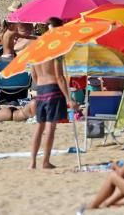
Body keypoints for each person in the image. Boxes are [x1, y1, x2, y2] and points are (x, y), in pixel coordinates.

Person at [30, 19, 78, 170]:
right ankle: (45, 161)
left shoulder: (37, 47)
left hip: (41, 90)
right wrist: (69, 99)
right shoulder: (57, 49)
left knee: (39, 127)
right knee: (50, 128)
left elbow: (34, 75)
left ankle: (32, 163)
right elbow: (59, 77)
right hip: (53, 89)